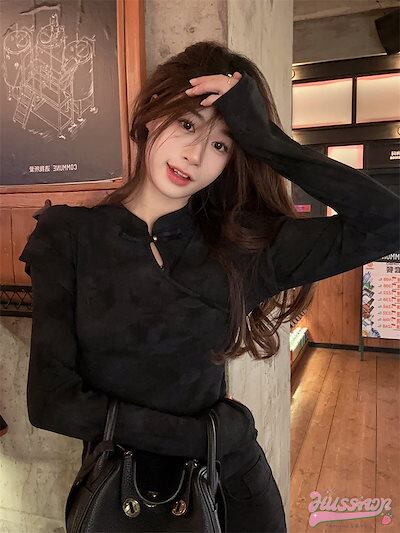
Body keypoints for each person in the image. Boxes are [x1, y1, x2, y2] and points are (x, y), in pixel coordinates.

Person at [19, 40, 399, 533]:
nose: (195, 155)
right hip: (120, 493)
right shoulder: (69, 236)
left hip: (232, 491)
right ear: (153, 114)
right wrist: (205, 436)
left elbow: (387, 222)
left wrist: (266, 138)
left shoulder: (243, 246)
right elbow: (51, 403)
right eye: (187, 124)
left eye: (222, 144)